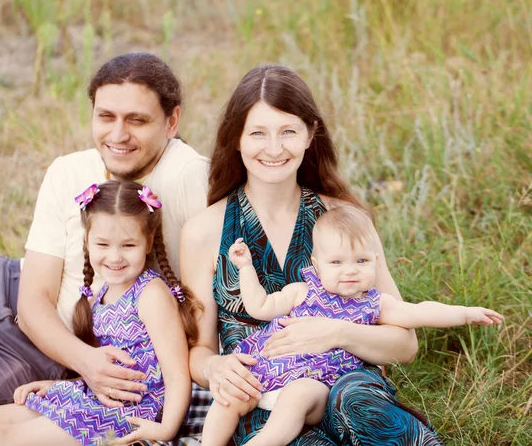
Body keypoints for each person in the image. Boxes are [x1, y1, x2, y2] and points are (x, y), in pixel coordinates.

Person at [0, 52, 210, 421]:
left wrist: (88, 366)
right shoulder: (68, 171)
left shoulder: (189, 179)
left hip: (41, 355)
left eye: (137, 120)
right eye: (105, 116)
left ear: (172, 121)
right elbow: (33, 301)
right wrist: (88, 363)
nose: (117, 135)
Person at [181, 64, 446, 444]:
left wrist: (336, 332)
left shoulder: (346, 220)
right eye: (258, 133)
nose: (274, 148)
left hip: (348, 390)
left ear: (310, 134)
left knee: (355, 401)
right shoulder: (204, 231)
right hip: (265, 403)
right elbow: (199, 349)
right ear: (236, 139)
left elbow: (404, 345)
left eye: (288, 131)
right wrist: (215, 366)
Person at [201, 205, 504, 446]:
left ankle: (266, 443)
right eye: (337, 263)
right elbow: (259, 306)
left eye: (360, 261)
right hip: (264, 374)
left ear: (375, 261)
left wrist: (464, 313)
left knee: (297, 397)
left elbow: (419, 312)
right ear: (317, 264)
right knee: (229, 398)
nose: (350, 271)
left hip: (316, 388)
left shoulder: (374, 304)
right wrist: (245, 268)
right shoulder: (302, 291)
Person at [0, 180, 202, 445]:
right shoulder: (101, 295)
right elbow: (108, 368)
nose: (114, 257)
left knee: (7, 437)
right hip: (96, 396)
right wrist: (58, 387)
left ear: (148, 243)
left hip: (129, 412)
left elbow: (176, 374)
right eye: (103, 245)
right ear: (87, 241)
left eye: (128, 246)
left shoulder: (151, 295)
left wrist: (166, 429)